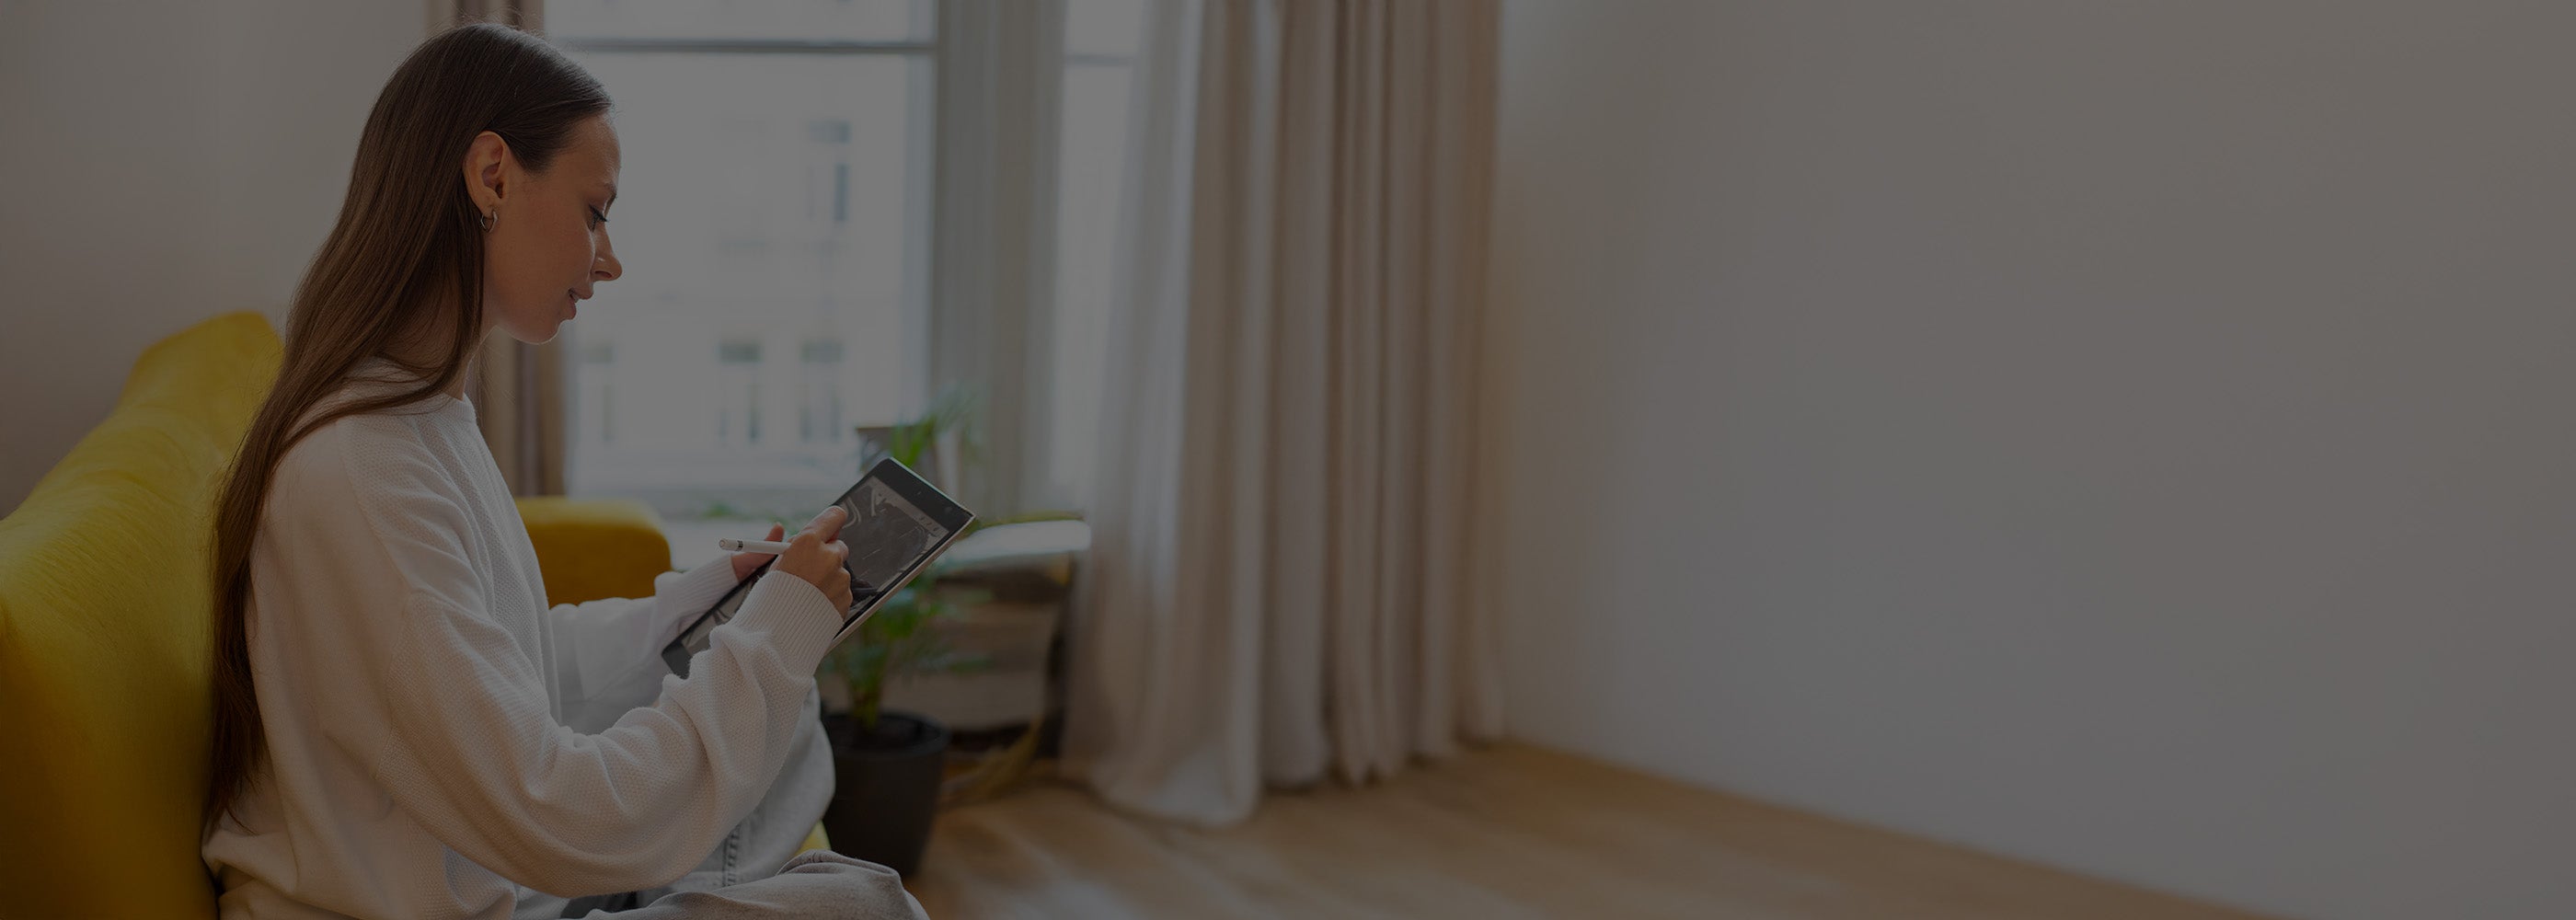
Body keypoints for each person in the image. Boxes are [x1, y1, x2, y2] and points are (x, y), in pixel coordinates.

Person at [200, 23, 927, 920]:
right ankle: (661, 871)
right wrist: (766, 643)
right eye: (596, 211)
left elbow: (501, 662)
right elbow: (552, 807)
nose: (611, 259)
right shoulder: (362, 470)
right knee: (870, 902)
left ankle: (662, 868)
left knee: (785, 724)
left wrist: (694, 610)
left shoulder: (414, 414)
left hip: (490, 867)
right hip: (447, 891)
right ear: (492, 174)